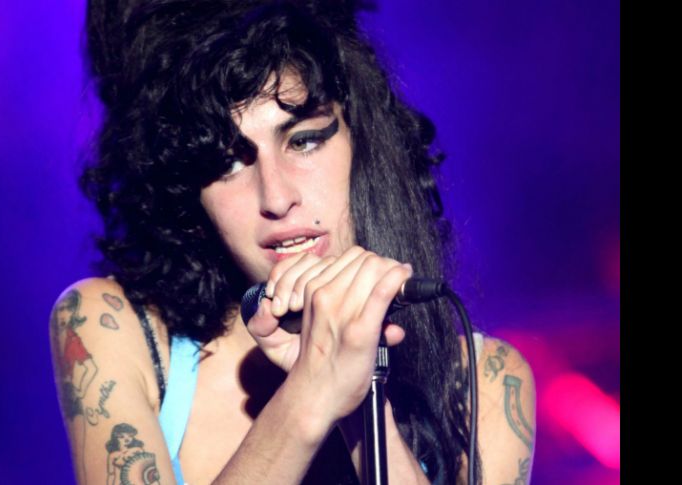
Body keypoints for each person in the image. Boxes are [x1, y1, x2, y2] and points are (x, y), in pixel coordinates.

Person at [49, 1, 537, 484]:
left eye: (304, 141)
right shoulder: (109, 325)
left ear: (364, 145)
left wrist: (359, 394)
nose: (277, 198)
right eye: (227, 162)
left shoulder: (487, 382)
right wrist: (311, 391)